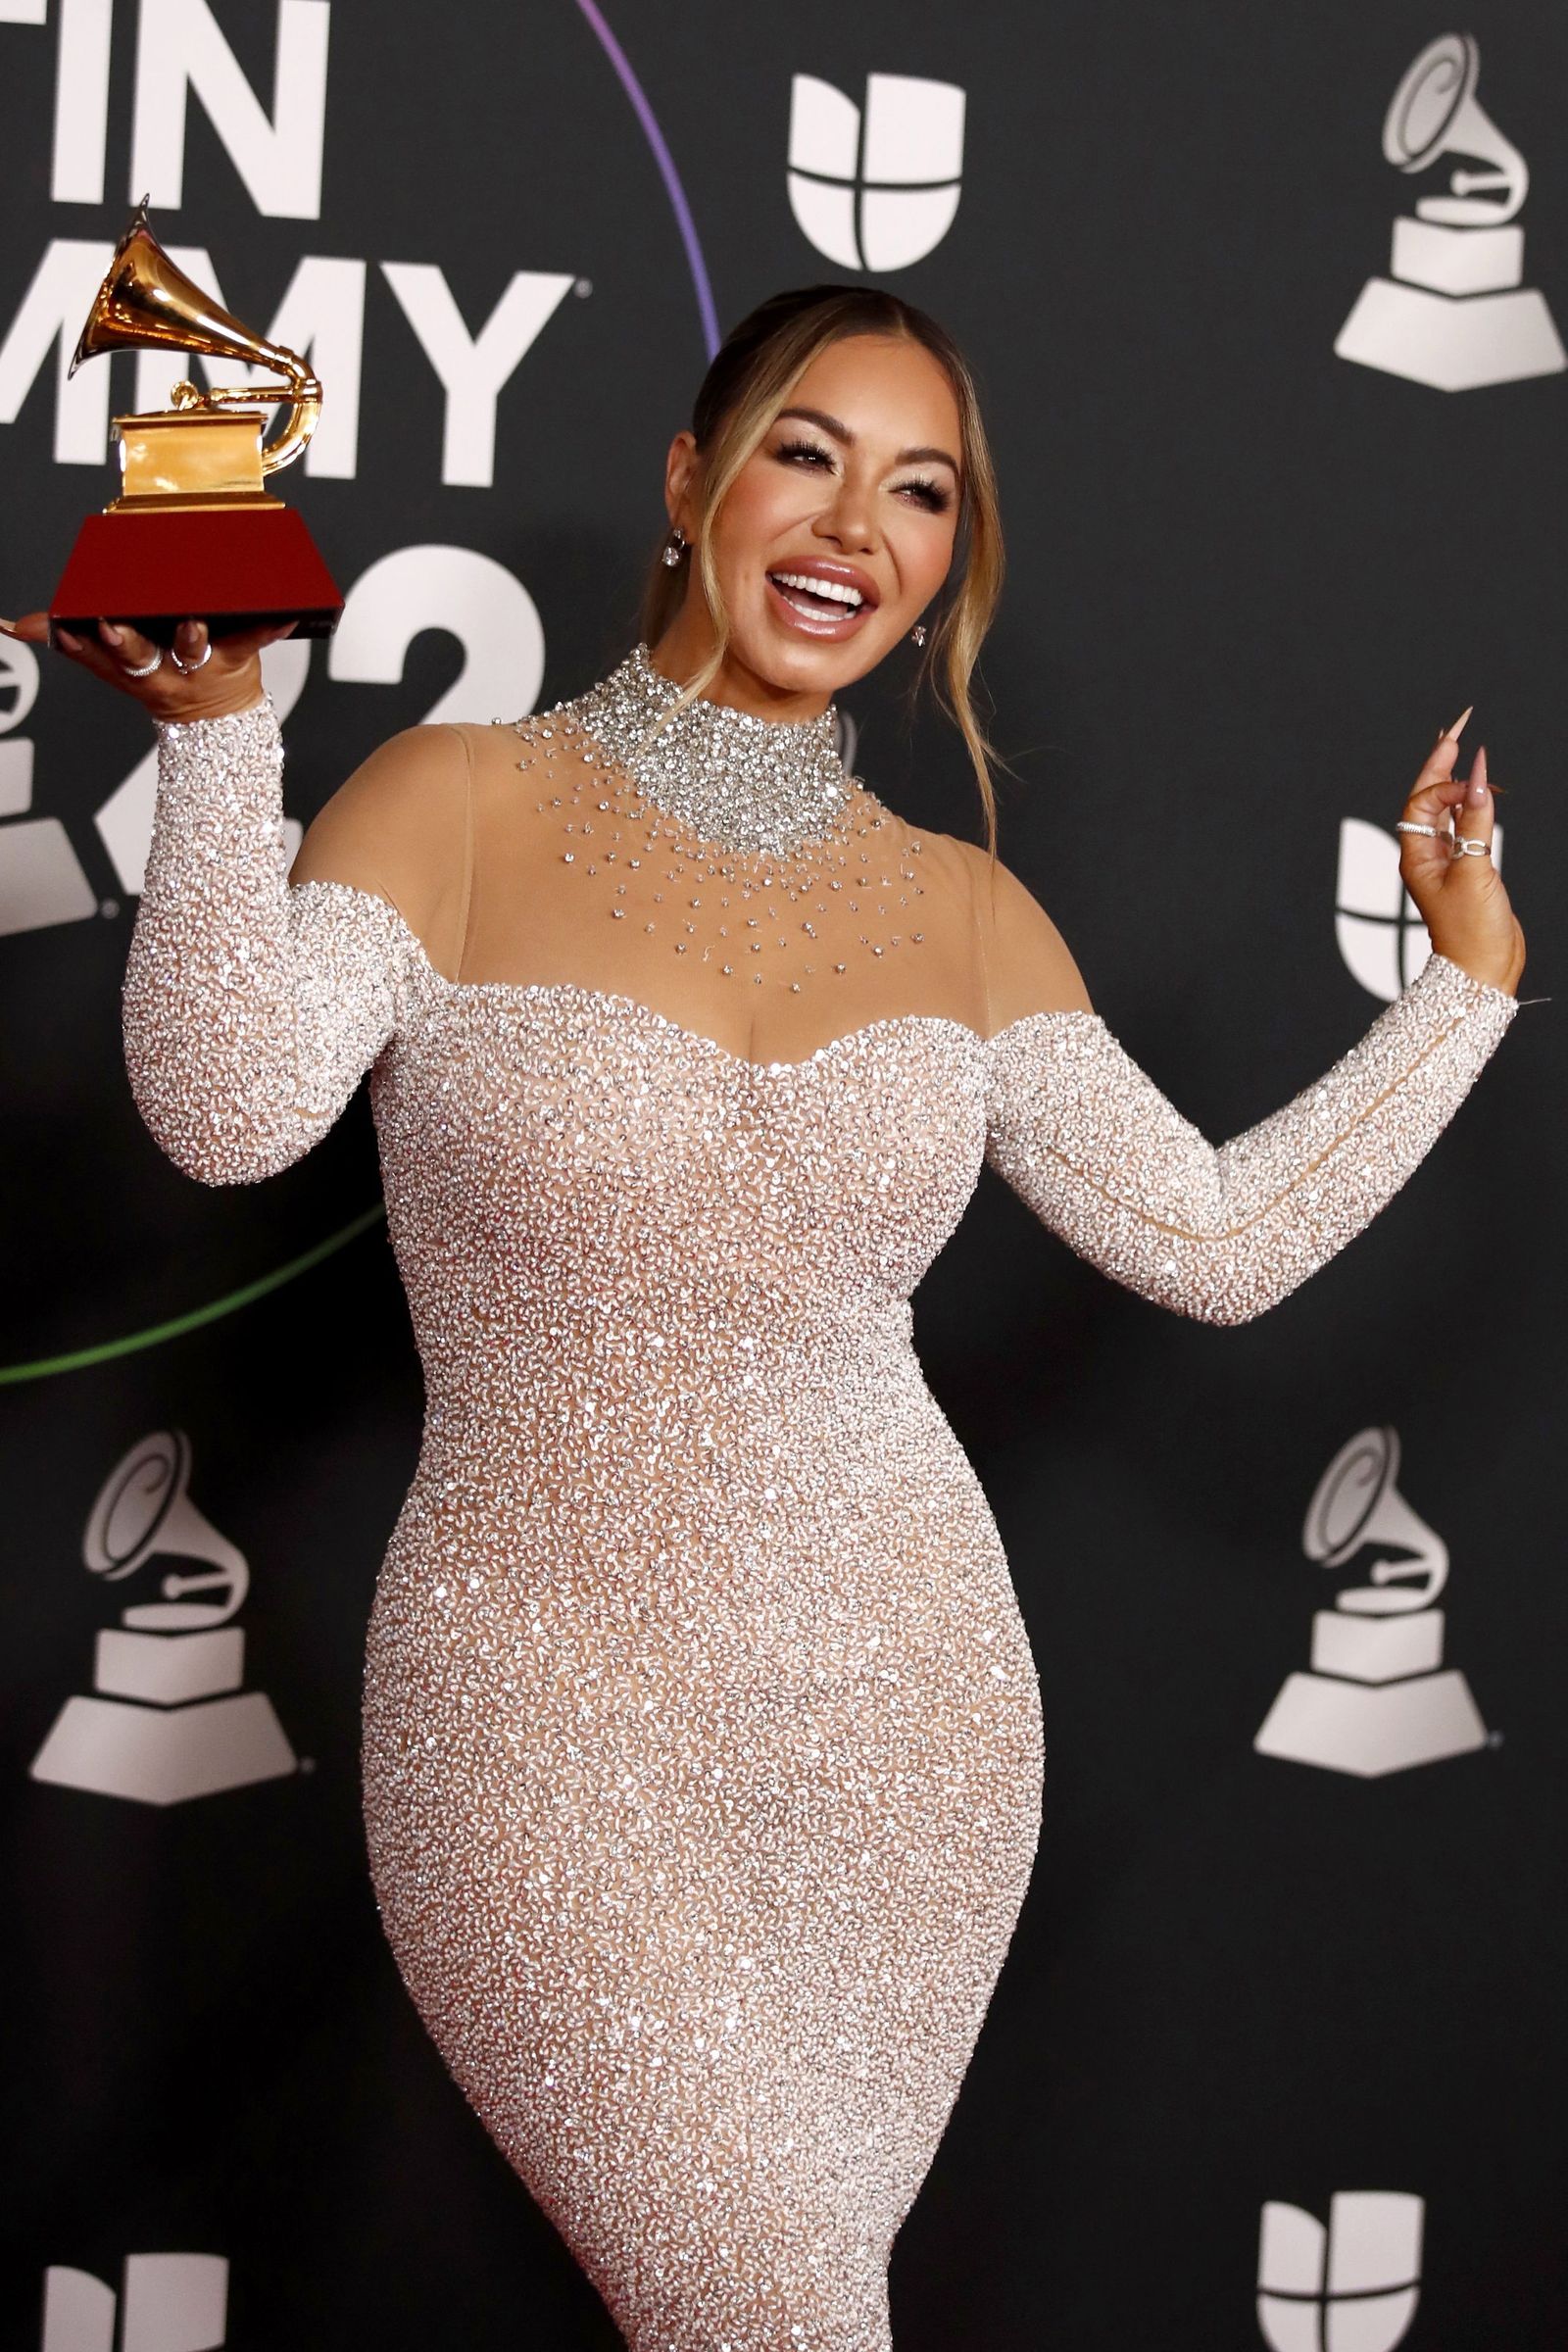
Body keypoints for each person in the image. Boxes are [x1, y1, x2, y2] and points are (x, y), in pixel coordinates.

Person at [6, 284, 1524, 2350]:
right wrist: (219, 744)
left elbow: (1212, 1242)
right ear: (687, 482)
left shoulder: (962, 911)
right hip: (535, 1714)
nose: (852, 527)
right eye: (806, 452)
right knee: (775, 2319)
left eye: (921, 491)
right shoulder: (455, 799)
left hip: (904, 1728)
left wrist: (1458, 1002)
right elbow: (223, 1109)